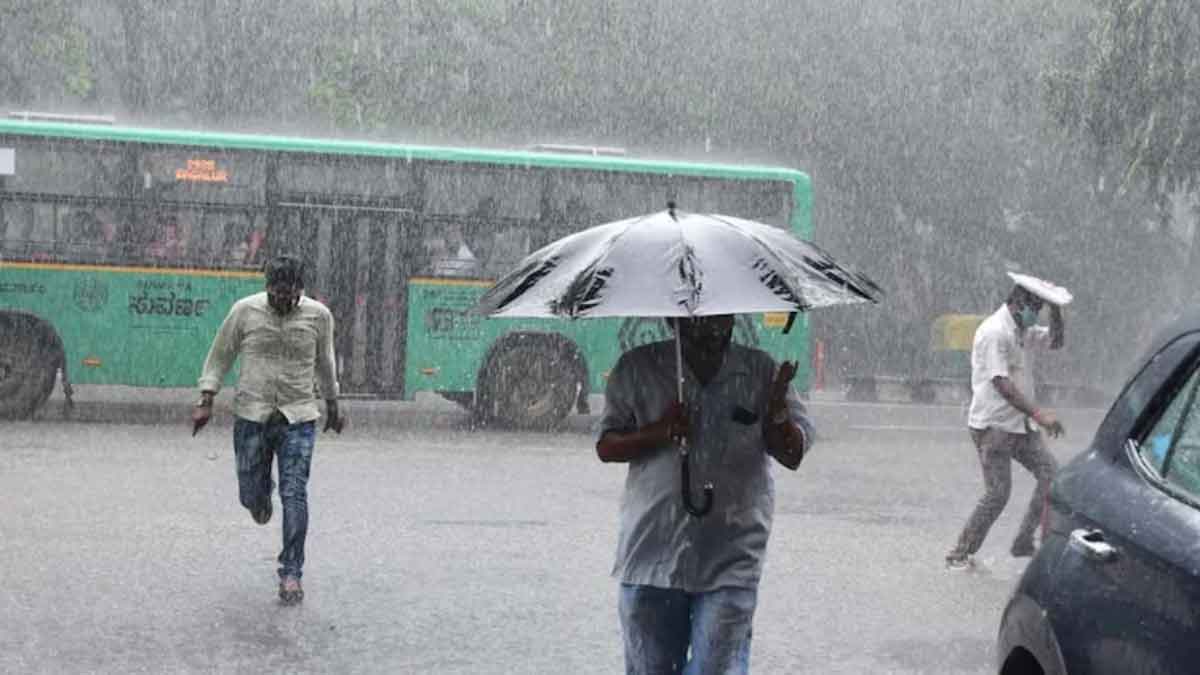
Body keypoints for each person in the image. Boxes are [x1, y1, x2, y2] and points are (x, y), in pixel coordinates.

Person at [596, 314, 814, 674]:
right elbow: (606, 445)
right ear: (674, 321)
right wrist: (659, 432)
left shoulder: (760, 372)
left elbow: (791, 454)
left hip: (731, 556)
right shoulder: (637, 368)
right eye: (699, 320)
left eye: (722, 316)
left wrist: (777, 413)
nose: (714, 325)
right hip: (651, 554)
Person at [191, 255, 346, 604]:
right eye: (278, 293)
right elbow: (220, 356)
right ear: (267, 288)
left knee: (295, 493)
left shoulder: (318, 316)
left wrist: (333, 405)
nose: (284, 300)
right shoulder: (244, 312)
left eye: (291, 294)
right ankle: (259, 498)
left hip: (298, 416)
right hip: (252, 415)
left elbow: (325, 362)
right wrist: (206, 398)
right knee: (251, 494)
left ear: (300, 290)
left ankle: (291, 573)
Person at [945, 282, 1066, 570]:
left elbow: (1056, 341)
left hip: (1020, 426)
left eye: (1040, 309)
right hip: (993, 427)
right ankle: (959, 554)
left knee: (1051, 475)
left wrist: (1057, 310)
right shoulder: (994, 331)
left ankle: (1023, 540)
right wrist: (1039, 414)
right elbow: (1002, 383)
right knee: (998, 493)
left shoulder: (1022, 331)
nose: (1036, 315)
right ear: (1018, 303)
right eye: (1034, 308)